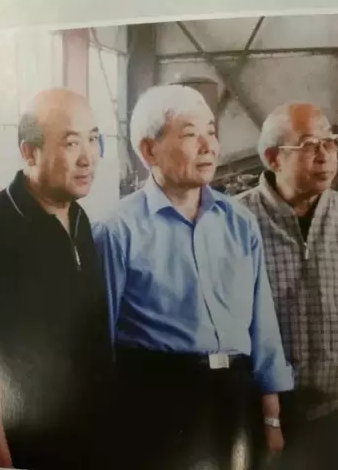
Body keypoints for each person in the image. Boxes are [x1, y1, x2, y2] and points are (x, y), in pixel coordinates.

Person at [92, 84, 294, 470]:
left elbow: (263, 327)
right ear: (149, 150)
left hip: (235, 396)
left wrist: (271, 417)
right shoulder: (117, 230)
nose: (208, 146)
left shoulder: (240, 223)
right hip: (158, 401)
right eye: (190, 134)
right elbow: (98, 344)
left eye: (211, 132)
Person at [0, 88, 115, 469]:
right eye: (71, 143)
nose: (87, 157)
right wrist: (0, 464)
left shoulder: (78, 217)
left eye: (93, 139)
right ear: (29, 152)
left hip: (89, 440)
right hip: (30, 447)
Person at [237, 102, 338, 470]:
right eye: (310, 145)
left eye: (330, 143)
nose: (325, 155)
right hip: (263, 417)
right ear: (273, 158)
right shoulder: (237, 221)